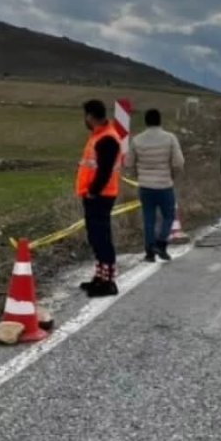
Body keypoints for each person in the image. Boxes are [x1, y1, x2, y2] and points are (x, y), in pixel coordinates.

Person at [75, 99, 123, 297]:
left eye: (85, 116)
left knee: (102, 238)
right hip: (94, 195)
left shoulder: (107, 139)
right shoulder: (98, 136)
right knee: (95, 238)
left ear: (90, 116)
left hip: (101, 196)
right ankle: (100, 277)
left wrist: (93, 191)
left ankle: (108, 281)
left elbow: (104, 171)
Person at [124, 108, 184, 262]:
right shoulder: (170, 138)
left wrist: (138, 174)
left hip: (145, 187)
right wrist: (173, 175)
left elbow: (128, 163)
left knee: (148, 219)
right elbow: (179, 163)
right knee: (168, 217)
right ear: (160, 121)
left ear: (146, 121)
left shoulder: (137, 140)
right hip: (165, 185)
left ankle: (150, 252)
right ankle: (161, 244)